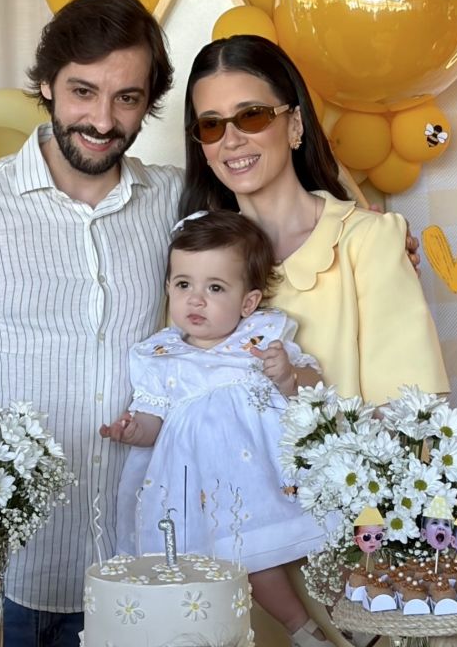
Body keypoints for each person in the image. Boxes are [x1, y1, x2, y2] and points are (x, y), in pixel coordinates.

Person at [0, 0, 183, 647]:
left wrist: (365, 229)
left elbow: (280, 226)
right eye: (82, 91)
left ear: (149, 101)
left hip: (136, 568)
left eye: (127, 98)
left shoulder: (173, 200)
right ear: (47, 86)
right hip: (4, 577)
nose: (101, 119)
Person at [103, 209, 336, 647]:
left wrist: (287, 376)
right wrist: (133, 430)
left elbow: (314, 387)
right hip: (206, 493)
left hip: (271, 474)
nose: (195, 300)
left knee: (319, 542)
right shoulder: (161, 357)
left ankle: (352, 617)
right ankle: (303, 631)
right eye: (183, 284)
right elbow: (154, 420)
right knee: (248, 559)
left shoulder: (261, 338)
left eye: (215, 288)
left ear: (248, 303)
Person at [180, 34, 450, 403]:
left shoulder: (368, 241)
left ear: (295, 124)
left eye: (251, 116)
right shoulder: (191, 256)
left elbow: (410, 417)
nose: (231, 140)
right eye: (211, 125)